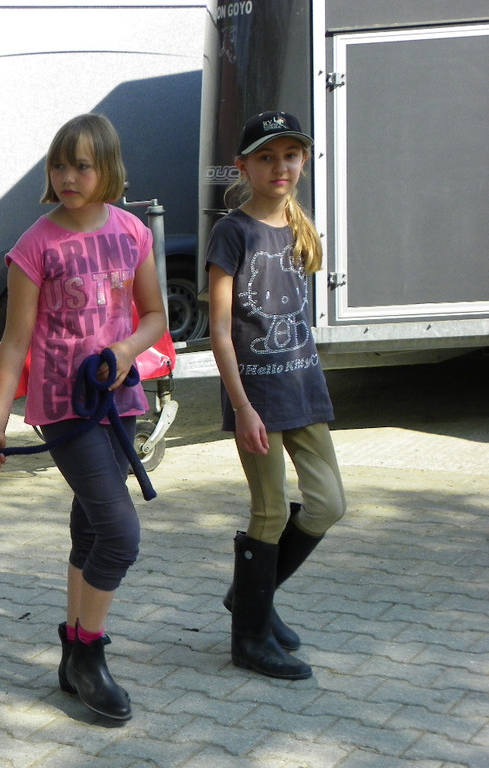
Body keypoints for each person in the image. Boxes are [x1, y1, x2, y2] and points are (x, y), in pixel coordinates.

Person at [0, 114, 166, 721]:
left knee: (91, 529)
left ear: (107, 168)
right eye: (59, 165)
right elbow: (13, 345)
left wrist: (125, 351)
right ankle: (89, 651)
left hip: (120, 399)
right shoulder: (35, 246)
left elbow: (155, 317)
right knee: (120, 533)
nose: (68, 177)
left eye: (82, 165)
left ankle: (71, 650)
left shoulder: (133, 233)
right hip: (64, 409)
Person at [206, 111, 347, 680]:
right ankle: (249, 640)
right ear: (243, 167)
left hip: (302, 388)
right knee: (267, 512)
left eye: (290, 155)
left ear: (303, 161)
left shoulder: (298, 224)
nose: (279, 166)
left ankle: (250, 597)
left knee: (329, 502)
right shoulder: (232, 232)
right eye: (265, 156)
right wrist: (242, 407)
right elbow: (220, 330)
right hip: (257, 398)